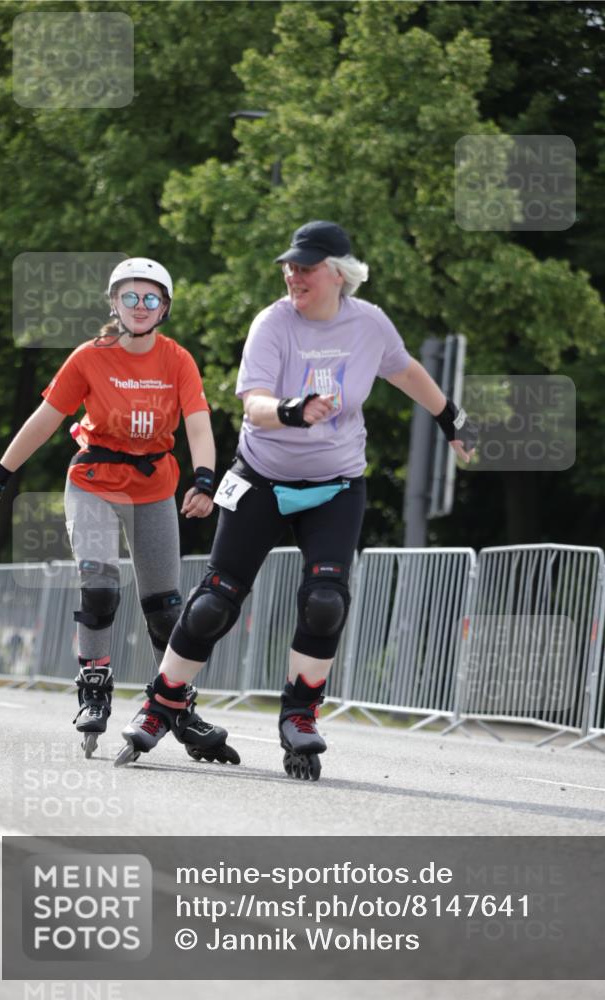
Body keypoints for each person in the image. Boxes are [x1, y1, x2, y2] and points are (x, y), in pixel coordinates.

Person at [115, 222, 477, 779]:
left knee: (325, 600)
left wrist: (451, 418)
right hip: (260, 478)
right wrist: (292, 409)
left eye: (306, 267)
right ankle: (163, 701)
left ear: (339, 273)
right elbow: (253, 404)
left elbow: (404, 370)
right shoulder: (273, 322)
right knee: (216, 602)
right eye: (289, 265)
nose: (293, 275)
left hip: (336, 485)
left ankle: (301, 714)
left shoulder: (369, 323)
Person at [0, 257, 239, 765]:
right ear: (114, 303)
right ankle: (95, 686)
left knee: (166, 610)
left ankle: (178, 706)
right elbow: (45, 420)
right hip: (94, 482)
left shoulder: (177, 360)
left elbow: (198, 425)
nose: (139, 307)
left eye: (150, 299)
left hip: (153, 485)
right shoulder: (88, 357)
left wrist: (206, 479)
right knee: (99, 584)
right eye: (130, 297)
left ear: (163, 308)